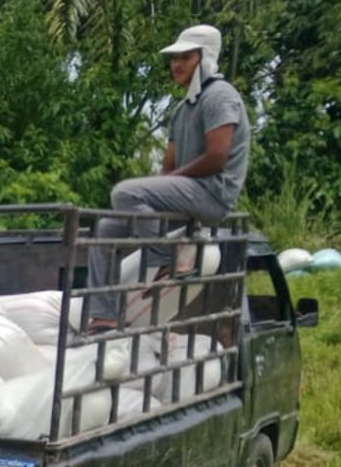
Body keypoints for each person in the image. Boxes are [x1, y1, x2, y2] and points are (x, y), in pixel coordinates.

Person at [86, 25, 252, 330]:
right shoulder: (181, 109)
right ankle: (105, 314)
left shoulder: (220, 95)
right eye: (174, 58)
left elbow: (217, 157)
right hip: (186, 197)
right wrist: (163, 187)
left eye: (185, 57)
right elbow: (168, 169)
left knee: (124, 193)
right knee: (105, 228)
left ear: (205, 57)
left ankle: (168, 256)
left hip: (212, 195)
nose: (176, 65)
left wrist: (164, 185)